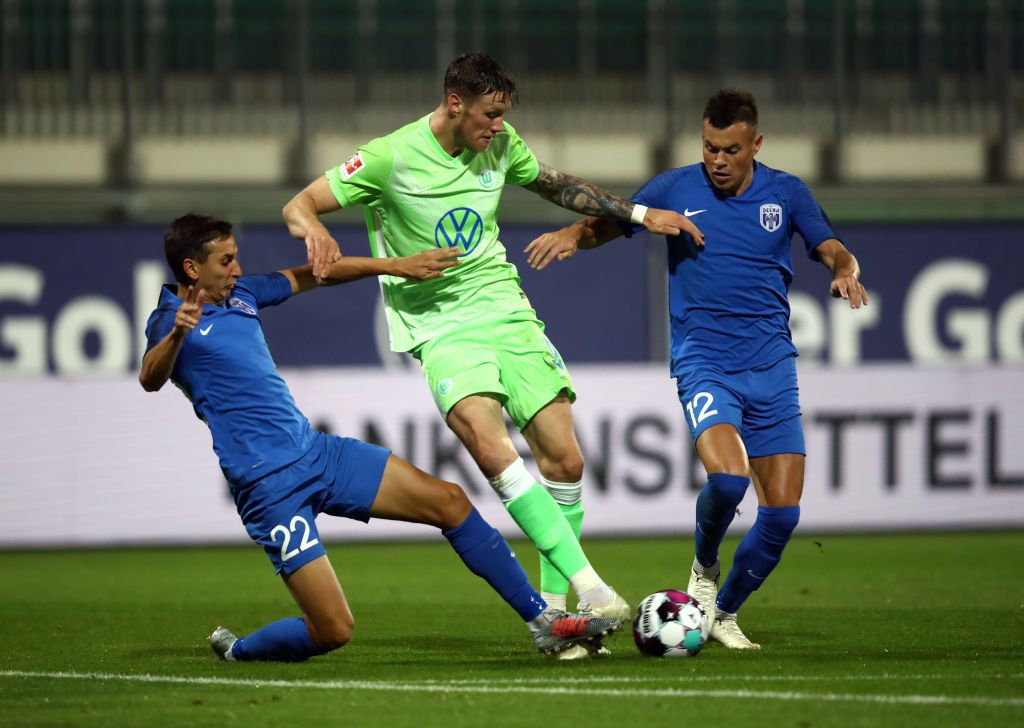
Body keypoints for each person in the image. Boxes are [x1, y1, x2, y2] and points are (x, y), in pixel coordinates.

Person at [282, 52, 703, 658]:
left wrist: (639, 213)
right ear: (456, 104)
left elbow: (557, 184)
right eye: (489, 114)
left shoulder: (500, 145)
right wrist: (316, 230)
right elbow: (298, 204)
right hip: (440, 326)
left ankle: (562, 621)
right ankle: (593, 590)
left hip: (504, 308)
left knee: (566, 461)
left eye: (504, 115)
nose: (498, 126)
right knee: (489, 446)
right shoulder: (389, 157)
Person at [139, 213, 620, 662]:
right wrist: (178, 334)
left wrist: (394, 266)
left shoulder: (243, 295)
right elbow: (149, 377)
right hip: (268, 488)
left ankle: (542, 621)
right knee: (333, 630)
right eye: (226, 261)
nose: (237, 269)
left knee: (450, 502)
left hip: (318, 455)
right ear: (191, 268)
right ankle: (239, 651)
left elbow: (315, 274)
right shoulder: (168, 320)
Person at [524, 88, 869, 649]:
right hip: (704, 362)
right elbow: (612, 222)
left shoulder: (787, 192)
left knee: (782, 518)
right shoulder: (674, 188)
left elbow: (830, 246)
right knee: (728, 481)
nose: (718, 160)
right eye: (710, 147)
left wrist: (844, 268)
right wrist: (571, 233)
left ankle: (723, 614)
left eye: (731, 150)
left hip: (773, 366)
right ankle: (704, 568)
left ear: (756, 143)